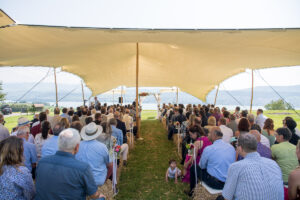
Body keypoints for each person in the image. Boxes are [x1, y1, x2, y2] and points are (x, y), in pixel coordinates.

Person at [35, 128, 105, 200]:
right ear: (77, 147)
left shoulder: (42, 162)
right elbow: (93, 194)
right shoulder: (83, 168)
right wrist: (100, 196)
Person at [222, 134, 284, 200]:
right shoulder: (273, 163)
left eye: (237, 145)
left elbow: (227, 197)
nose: (236, 148)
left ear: (240, 148)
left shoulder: (236, 166)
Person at [186, 127, 235, 196]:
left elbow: (201, 166)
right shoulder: (231, 148)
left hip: (214, 182)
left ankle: (192, 192)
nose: (208, 134)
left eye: (209, 133)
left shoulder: (209, 149)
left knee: (194, 167)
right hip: (227, 182)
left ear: (214, 135)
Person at [76, 122, 110, 187]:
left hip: (81, 180)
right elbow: (109, 164)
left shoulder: (78, 145)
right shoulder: (102, 146)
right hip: (97, 180)